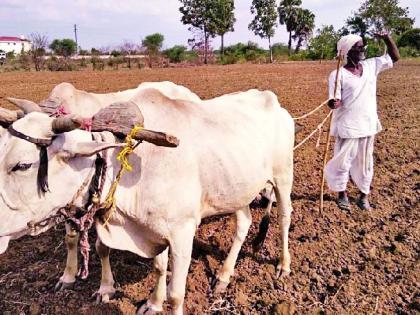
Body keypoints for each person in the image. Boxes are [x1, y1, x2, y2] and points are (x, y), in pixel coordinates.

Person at [325, 32, 400, 211]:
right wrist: (334, 103)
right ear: (347, 51)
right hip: (347, 126)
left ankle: (363, 196)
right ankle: (342, 195)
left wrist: (387, 38)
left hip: (367, 124)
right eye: (358, 47)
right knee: (342, 162)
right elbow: (333, 100)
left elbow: (395, 57)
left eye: (362, 46)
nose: (362, 49)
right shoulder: (337, 74)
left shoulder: (371, 65)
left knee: (366, 163)